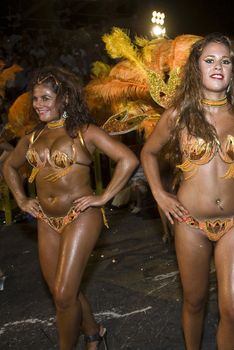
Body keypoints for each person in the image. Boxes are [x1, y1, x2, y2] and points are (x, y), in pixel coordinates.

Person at [140, 33, 234, 349]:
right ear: (196, 67)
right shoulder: (178, 114)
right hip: (190, 223)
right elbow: (148, 152)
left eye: (226, 61)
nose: (218, 66)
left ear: (233, 71)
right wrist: (159, 193)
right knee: (194, 303)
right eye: (209, 60)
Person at [2, 66, 138, 350]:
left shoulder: (83, 131)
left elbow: (127, 159)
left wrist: (103, 197)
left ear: (64, 98)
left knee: (64, 294)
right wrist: (22, 200)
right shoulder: (32, 137)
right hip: (46, 221)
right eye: (35, 98)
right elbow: (10, 166)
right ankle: (93, 333)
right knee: (63, 291)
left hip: (81, 216)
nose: (39, 104)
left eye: (46, 97)